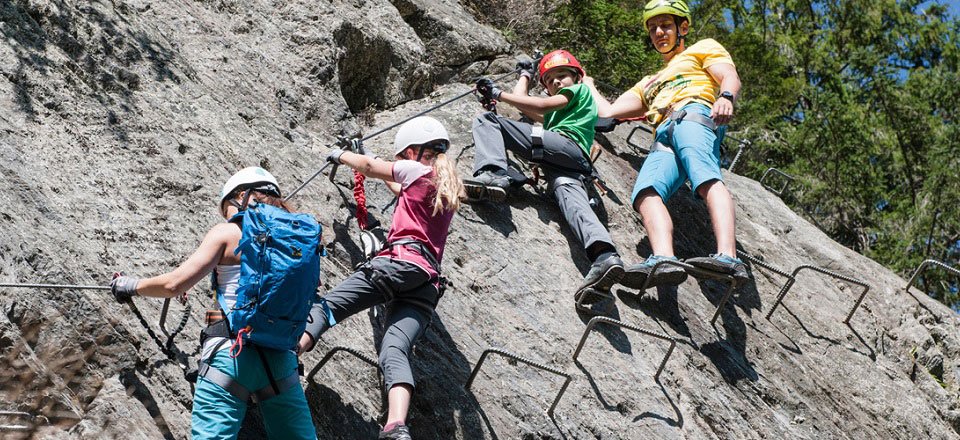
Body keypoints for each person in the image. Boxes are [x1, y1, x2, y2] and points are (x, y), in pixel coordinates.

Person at [110, 167, 320, 439]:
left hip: (230, 356)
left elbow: (174, 284)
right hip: (281, 362)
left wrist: (130, 285)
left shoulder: (227, 233)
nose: (229, 217)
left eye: (227, 209)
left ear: (241, 197)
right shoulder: (300, 243)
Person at [299, 116, 463, 440]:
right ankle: (396, 426)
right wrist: (366, 159)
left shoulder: (416, 169)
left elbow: (373, 167)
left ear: (415, 152)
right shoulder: (443, 185)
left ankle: (285, 357)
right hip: (426, 281)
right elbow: (396, 184)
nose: (400, 162)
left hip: (399, 264)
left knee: (326, 308)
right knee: (394, 349)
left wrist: (341, 155)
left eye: (402, 157)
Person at [584, 0, 749, 288]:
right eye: (653, 28)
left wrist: (726, 97)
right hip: (663, 133)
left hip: (695, 113)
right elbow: (608, 113)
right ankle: (663, 259)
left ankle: (728, 257)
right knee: (645, 193)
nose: (658, 32)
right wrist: (589, 85)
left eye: (665, 26)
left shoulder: (702, 48)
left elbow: (729, 75)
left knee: (705, 176)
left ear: (682, 27)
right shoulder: (648, 82)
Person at [466, 49, 628, 303]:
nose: (556, 81)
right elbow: (524, 102)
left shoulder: (579, 91)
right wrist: (525, 75)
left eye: (562, 75)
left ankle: (493, 173)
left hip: (564, 145)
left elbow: (540, 104)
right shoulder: (559, 114)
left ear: (576, 77)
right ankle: (604, 257)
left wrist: (497, 94)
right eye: (550, 80)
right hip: (569, 165)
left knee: (489, 121)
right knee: (573, 203)